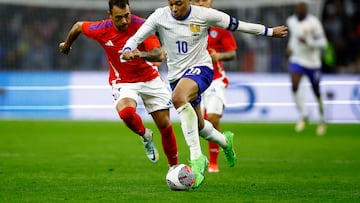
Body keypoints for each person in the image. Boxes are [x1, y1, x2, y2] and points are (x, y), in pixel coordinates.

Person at [121, 0, 288, 188]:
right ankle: (225, 141)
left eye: (178, 4)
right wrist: (128, 48)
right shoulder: (160, 16)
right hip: (177, 77)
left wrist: (269, 32)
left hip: (202, 69)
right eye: (171, 4)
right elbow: (136, 37)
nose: (174, 8)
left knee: (177, 98)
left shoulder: (204, 15)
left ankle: (197, 158)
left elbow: (239, 25)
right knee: (199, 125)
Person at [59, 0, 179, 167]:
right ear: (110, 15)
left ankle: (174, 168)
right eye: (119, 17)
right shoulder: (101, 29)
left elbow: (159, 55)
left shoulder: (142, 26)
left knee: (165, 126)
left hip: (150, 78)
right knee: (126, 114)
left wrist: (139, 54)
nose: (124, 21)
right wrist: (67, 45)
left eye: (127, 16)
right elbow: (79, 26)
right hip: (123, 81)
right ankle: (145, 135)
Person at [192, 0, 237, 173]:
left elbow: (232, 54)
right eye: (197, 0)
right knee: (198, 124)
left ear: (211, 2)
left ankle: (213, 162)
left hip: (215, 80)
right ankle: (225, 143)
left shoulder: (221, 23)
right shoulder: (187, 25)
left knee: (212, 118)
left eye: (204, 0)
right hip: (194, 80)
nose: (201, 3)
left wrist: (218, 56)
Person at [286, 0, 328, 136]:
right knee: (294, 85)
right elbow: (294, 37)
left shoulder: (314, 23)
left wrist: (308, 42)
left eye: (301, 8)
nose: (299, 10)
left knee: (316, 91)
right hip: (297, 59)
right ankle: (303, 115)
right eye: (297, 8)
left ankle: (322, 119)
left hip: (313, 63)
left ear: (306, 10)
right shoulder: (291, 21)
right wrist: (290, 48)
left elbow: (323, 43)